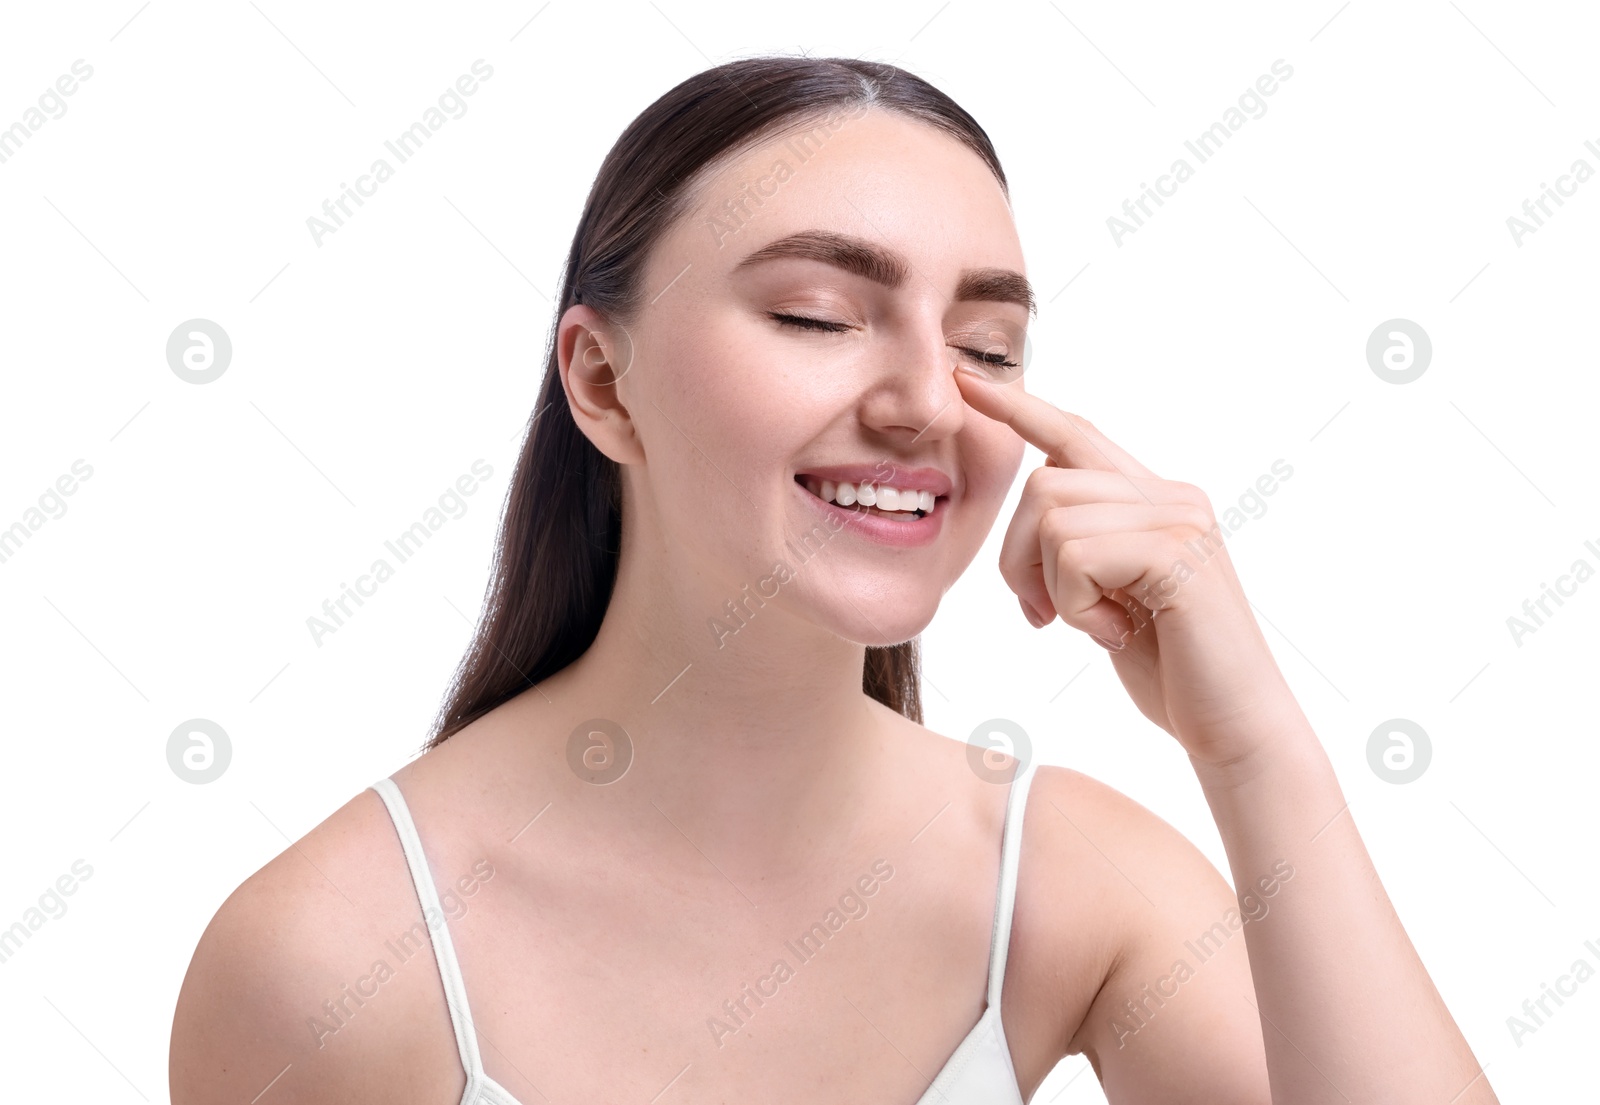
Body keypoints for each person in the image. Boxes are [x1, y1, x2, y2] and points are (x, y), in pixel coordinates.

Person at [170, 55, 1497, 1104]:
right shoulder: (333, 958)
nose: (928, 401)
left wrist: (1254, 742)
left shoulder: (1069, 884)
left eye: (988, 342)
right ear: (600, 379)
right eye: (815, 315)